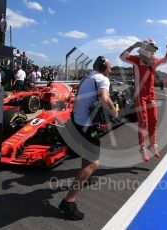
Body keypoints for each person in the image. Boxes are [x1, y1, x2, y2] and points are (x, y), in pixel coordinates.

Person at [58, 56, 118, 220]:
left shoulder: (88, 77)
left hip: (77, 122)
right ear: (104, 67)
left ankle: (81, 180)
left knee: (87, 160)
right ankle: (68, 202)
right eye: (110, 68)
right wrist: (114, 112)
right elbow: (105, 99)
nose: (111, 71)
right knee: (93, 164)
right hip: (87, 125)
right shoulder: (102, 79)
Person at [120, 39, 167, 161]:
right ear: (145, 50)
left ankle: (152, 145)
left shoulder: (154, 60)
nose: (154, 53)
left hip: (151, 95)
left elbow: (166, 59)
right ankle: (142, 147)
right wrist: (134, 45)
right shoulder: (136, 59)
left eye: (154, 50)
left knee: (153, 120)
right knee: (143, 121)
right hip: (140, 95)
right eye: (152, 50)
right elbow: (122, 57)